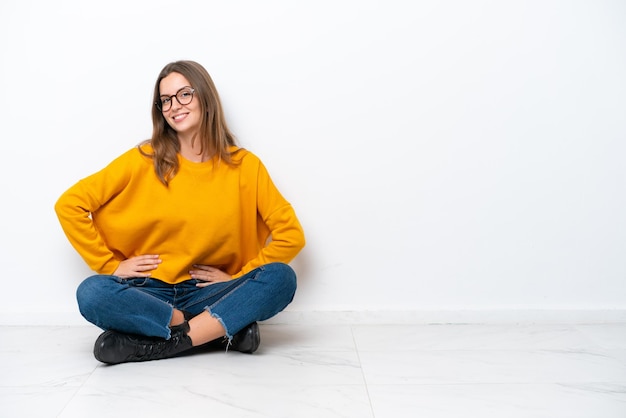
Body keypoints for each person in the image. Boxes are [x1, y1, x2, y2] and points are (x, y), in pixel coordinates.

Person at [54, 60, 305, 365]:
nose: (174, 106)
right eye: (166, 100)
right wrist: (109, 265)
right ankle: (216, 330)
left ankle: (162, 343)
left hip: (206, 292)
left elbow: (291, 235)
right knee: (92, 292)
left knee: (281, 278)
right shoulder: (143, 159)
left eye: (184, 94)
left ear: (204, 96)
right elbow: (70, 204)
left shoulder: (245, 166)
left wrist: (237, 277)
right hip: (149, 291)